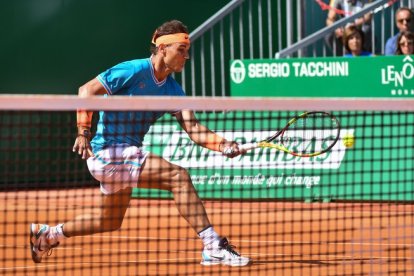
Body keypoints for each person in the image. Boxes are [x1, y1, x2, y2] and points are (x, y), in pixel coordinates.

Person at [29, 20, 251, 267]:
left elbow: (195, 128)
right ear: (163, 48)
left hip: (124, 157)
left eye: (187, 51)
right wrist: (83, 131)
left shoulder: (174, 91)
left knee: (109, 221)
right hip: (107, 152)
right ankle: (212, 245)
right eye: (181, 49)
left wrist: (223, 145)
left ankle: (48, 235)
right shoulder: (133, 70)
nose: (186, 56)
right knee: (178, 177)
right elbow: (86, 90)